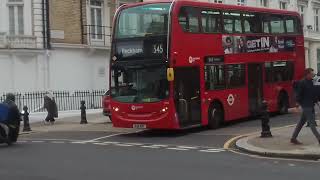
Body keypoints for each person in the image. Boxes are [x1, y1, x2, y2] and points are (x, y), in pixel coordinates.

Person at [291, 68, 320, 145]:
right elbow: (298, 94)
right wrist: (297, 104)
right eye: (312, 74)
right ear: (307, 74)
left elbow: (313, 94)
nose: (313, 75)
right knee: (312, 124)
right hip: (306, 105)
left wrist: (317, 102)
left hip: (311, 104)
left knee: (301, 123)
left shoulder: (311, 82)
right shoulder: (302, 83)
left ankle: (293, 138)